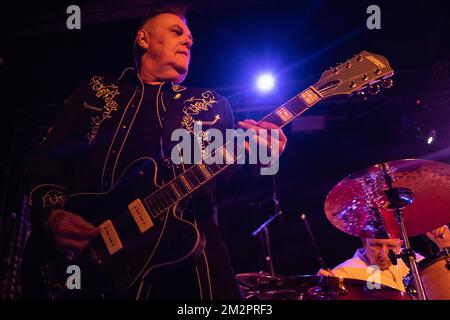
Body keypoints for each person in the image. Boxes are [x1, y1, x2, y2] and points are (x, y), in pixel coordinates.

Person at [24, 4, 287, 300]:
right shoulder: (95, 90)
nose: (188, 41)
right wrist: (53, 214)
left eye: (190, 38)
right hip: (84, 267)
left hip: (186, 269)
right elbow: (46, 158)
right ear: (144, 39)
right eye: (177, 32)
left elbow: (234, 191)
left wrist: (263, 160)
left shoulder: (211, 105)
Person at [318, 225, 450, 292]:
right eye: (376, 245)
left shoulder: (410, 258)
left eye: (391, 247)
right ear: (364, 242)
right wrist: (321, 290)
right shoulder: (344, 274)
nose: (383, 254)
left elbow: (442, 284)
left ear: (400, 245)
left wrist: (445, 246)